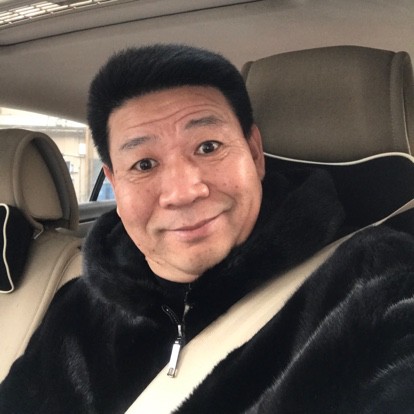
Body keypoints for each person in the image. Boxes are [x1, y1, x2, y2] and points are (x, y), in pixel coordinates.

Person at [1, 43, 414, 414]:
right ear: (114, 181)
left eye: (208, 147)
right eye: (144, 164)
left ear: (254, 153)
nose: (183, 192)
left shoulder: (380, 280)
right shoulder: (81, 306)